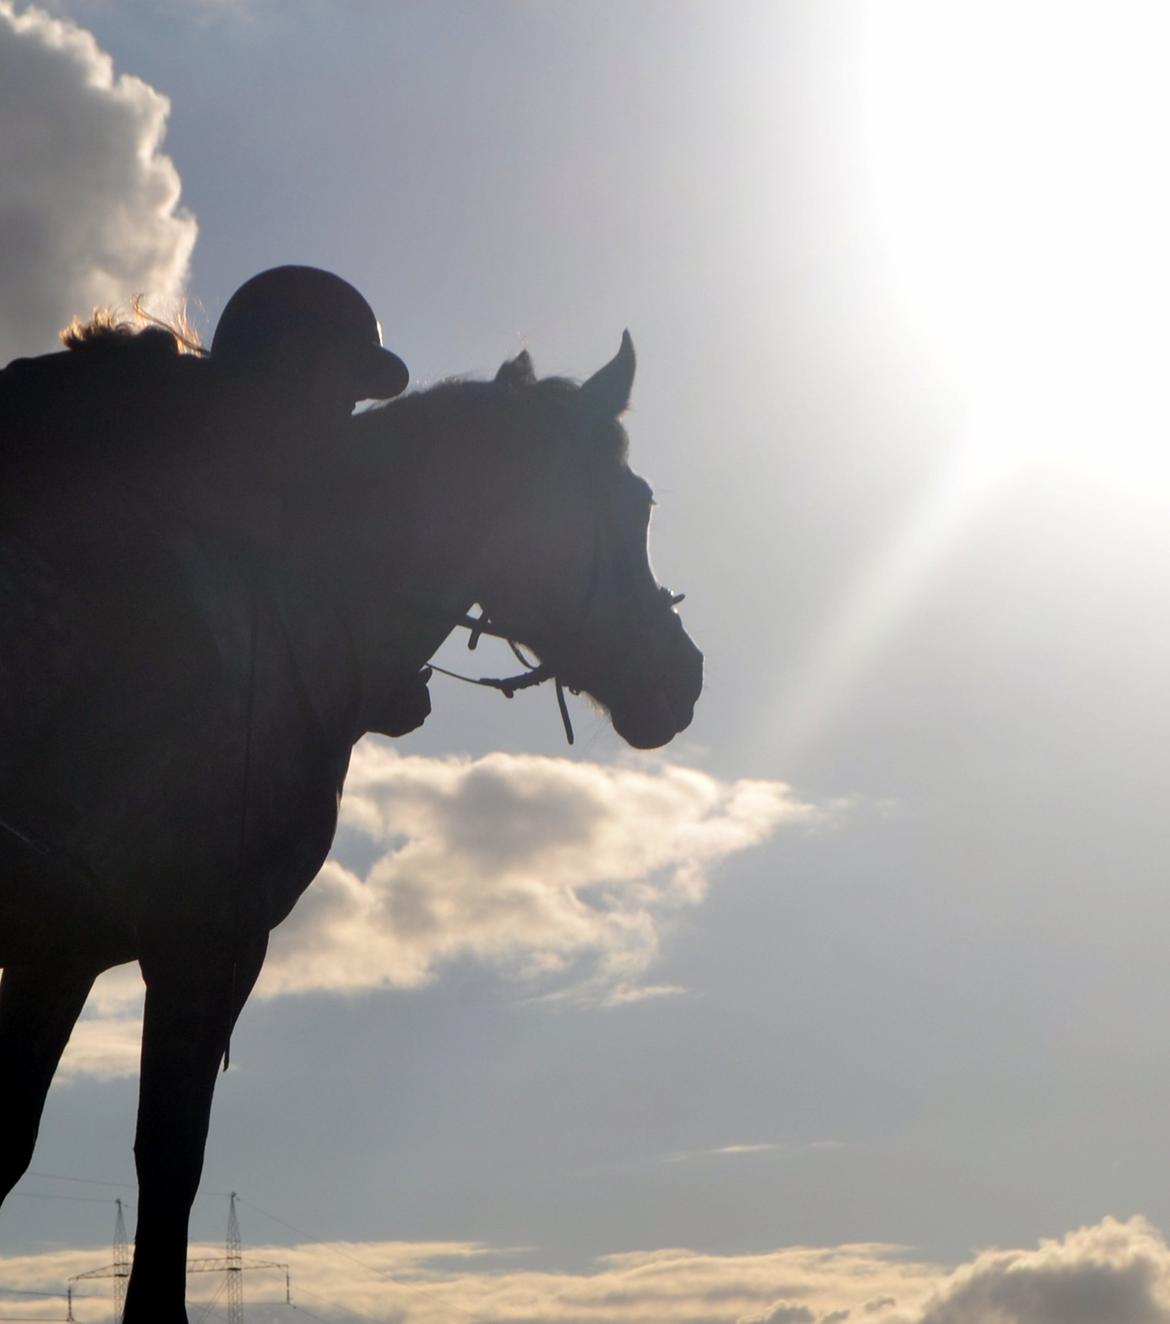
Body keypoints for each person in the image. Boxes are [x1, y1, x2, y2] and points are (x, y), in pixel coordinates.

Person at [0, 265, 430, 737]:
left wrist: (365, 684)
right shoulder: (147, 390)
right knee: (177, 647)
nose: (355, 399)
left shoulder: (267, 469)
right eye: (349, 372)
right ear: (292, 357)